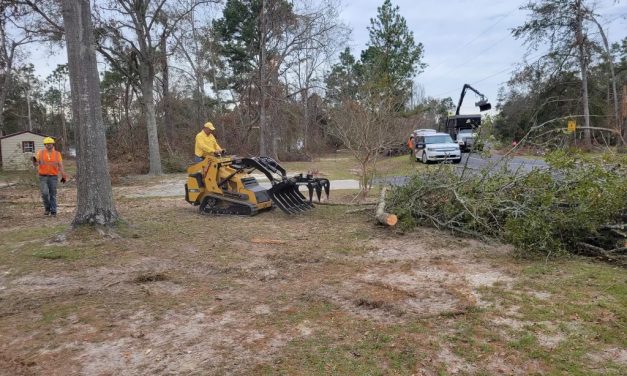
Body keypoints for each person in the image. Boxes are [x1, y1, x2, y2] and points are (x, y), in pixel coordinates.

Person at [33, 137, 67, 217]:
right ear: (45, 145)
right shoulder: (40, 153)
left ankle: (53, 211)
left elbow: (60, 165)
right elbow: (36, 164)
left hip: (53, 177)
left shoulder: (57, 154)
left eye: (50, 144)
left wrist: (63, 176)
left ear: (53, 144)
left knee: (53, 194)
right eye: (47, 144)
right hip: (43, 177)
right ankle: (47, 208)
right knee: (44, 193)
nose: (49, 145)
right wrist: (34, 161)